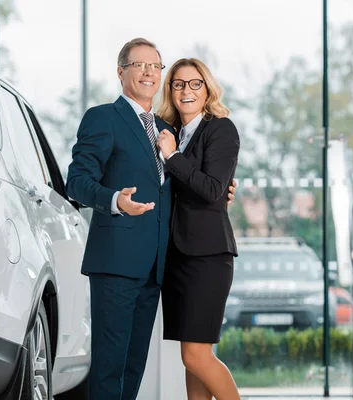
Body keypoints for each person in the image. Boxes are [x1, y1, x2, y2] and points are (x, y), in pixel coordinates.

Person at [66, 39, 236, 400]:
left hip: (156, 268)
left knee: (133, 366)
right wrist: (114, 200)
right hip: (115, 261)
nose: (148, 72)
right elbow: (77, 182)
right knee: (109, 366)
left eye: (154, 66)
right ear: (120, 71)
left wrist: (225, 190)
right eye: (138, 65)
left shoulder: (166, 131)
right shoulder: (103, 118)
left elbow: (189, 185)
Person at [156, 58, 241, 400]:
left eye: (194, 84)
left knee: (196, 356)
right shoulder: (171, 133)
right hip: (177, 258)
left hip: (207, 257)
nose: (186, 91)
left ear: (207, 89)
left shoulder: (221, 128)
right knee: (191, 361)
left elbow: (210, 189)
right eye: (178, 84)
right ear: (171, 90)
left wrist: (173, 157)